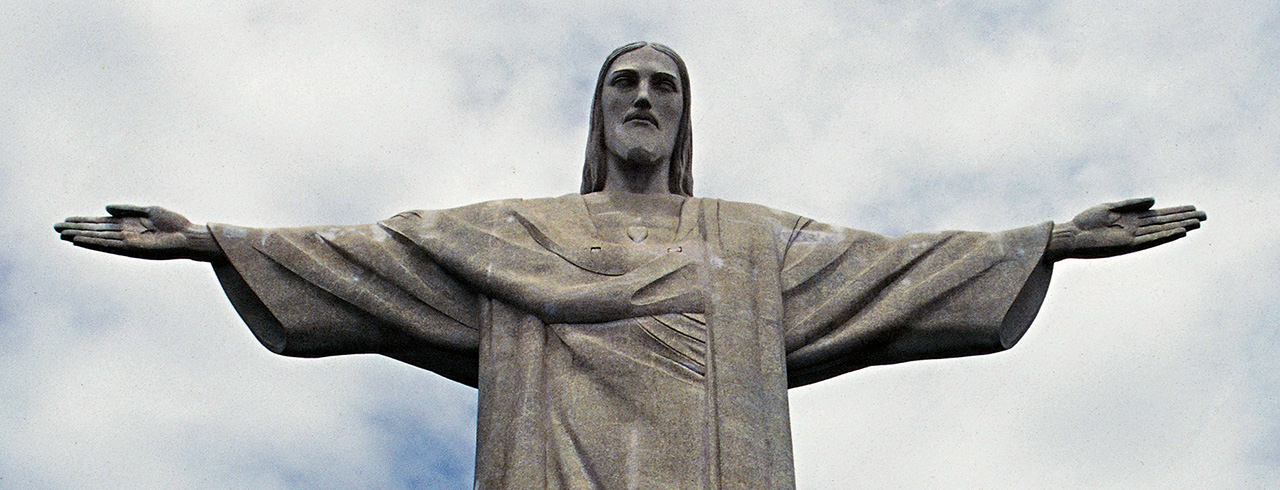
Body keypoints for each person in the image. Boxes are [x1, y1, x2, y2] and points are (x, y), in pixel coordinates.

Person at [55, 42, 1206, 490]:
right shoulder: (514, 233)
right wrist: (215, 238)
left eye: (663, 87)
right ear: (598, 113)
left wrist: (1045, 237)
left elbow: (890, 269)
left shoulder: (748, 243)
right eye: (624, 85)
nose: (643, 100)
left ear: (682, 118)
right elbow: (371, 257)